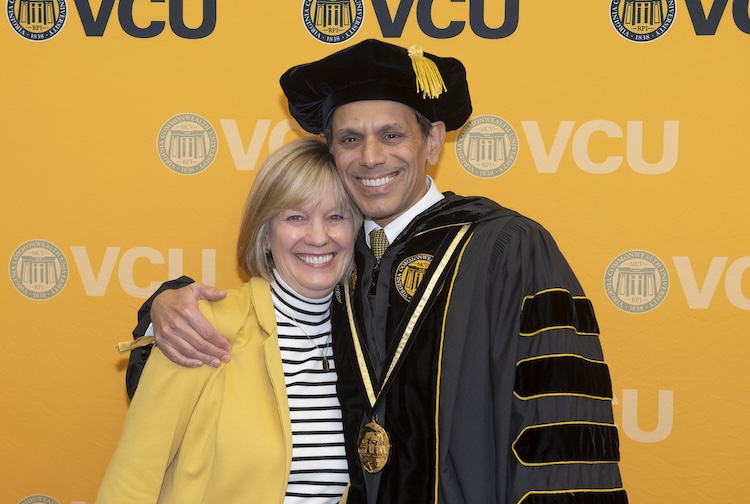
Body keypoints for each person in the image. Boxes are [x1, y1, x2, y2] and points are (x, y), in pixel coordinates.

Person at [127, 40, 628, 503]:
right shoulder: (333, 261)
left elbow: (559, 430)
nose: (370, 157)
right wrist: (164, 305)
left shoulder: (505, 248)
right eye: (350, 139)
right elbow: (215, 373)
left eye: (391, 135)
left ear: (432, 141)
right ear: (331, 151)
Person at [98, 138, 362, 503]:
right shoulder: (201, 327)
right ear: (266, 233)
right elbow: (133, 480)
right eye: (295, 217)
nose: (318, 237)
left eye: (335, 216)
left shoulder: (367, 343)